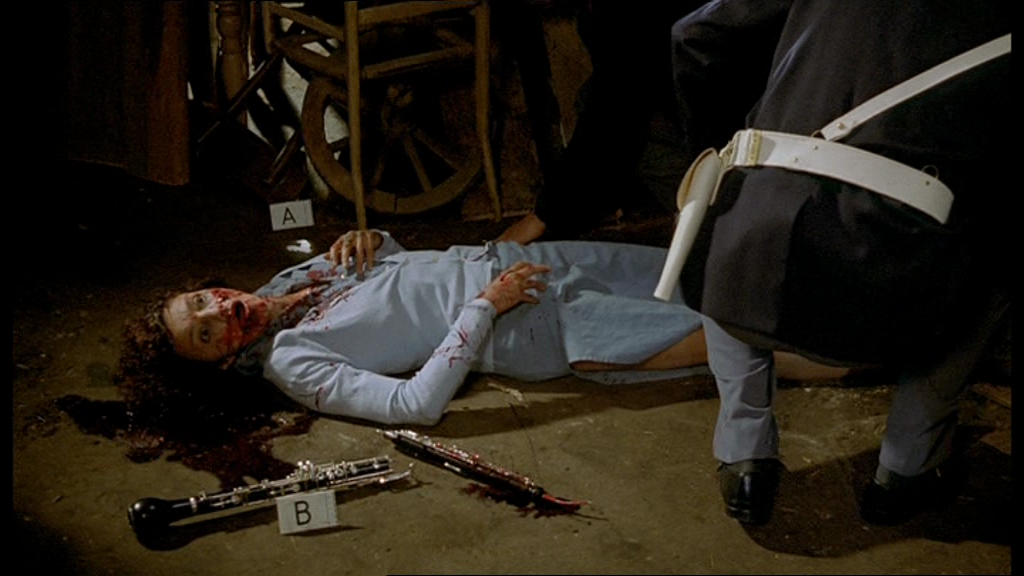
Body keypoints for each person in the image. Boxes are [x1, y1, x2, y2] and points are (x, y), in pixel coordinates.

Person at [667, 0, 1011, 526]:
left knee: (731, 208)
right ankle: (908, 467)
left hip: (743, 266)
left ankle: (744, 456)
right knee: (998, 251)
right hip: (886, 280)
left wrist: (733, 158)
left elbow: (695, 35)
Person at [119, 229, 847, 429]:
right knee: (746, 344)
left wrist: (377, 241)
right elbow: (413, 406)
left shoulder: (283, 284)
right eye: (206, 334)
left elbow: (401, 277)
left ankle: (860, 286)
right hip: (537, 330)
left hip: (528, 263)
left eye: (203, 302)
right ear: (222, 364)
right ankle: (882, 354)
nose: (219, 312)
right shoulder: (292, 364)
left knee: (704, 268)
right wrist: (485, 308)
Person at [495, 1, 714, 244]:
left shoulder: (633, 13)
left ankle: (709, 224)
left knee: (620, 116)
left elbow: (618, 108)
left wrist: (543, 217)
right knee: (593, 97)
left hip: (729, 137)